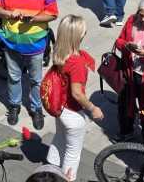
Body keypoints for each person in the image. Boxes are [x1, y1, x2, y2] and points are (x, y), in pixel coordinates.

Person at [0, 0, 58, 128]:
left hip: (36, 45)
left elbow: (53, 14)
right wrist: (9, 13)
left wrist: (35, 18)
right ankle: (14, 105)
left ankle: (36, 108)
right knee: (14, 78)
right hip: (12, 44)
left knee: (36, 80)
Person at [46, 14, 103, 181]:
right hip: (73, 113)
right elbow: (77, 93)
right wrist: (93, 108)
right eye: (83, 31)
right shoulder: (76, 62)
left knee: (60, 139)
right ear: (77, 35)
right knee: (72, 154)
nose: (85, 33)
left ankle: (50, 171)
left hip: (60, 108)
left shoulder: (60, 52)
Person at [113, 0, 144, 141]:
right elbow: (119, 41)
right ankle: (126, 132)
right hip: (129, 72)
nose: (143, 19)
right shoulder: (131, 21)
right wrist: (127, 45)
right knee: (125, 104)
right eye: (141, 15)